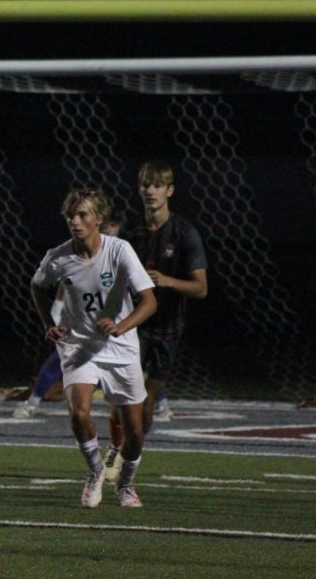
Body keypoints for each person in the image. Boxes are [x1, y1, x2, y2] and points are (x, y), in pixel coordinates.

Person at [31, 186, 157, 509]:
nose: (75, 221)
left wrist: (121, 326)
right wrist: (48, 322)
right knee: (79, 412)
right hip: (78, 345)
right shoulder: (57, 258)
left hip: (121, 348)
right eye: (70, 215)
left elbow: (149, 301)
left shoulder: (120, 251)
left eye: (82, 215)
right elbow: (37, 286)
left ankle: (126, 485)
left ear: (98, 219)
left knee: (135, 432)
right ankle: (95, 471)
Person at [103, 163, 207, 481]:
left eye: (158, 185)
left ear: (170, 191)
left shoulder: (185, 233)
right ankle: (115, 449)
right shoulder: (131, 234)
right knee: (123, 397)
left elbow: (201, 288)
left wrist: (167, 281)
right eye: (146, 185)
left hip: (167, 330)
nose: (151, 190)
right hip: (133, 327)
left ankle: (131, 453)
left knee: (146, 406)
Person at [13, 210, 123, 420]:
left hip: (110, 319)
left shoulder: (120, 252)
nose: (110, 232)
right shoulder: (75, 250)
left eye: (114, 229)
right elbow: (66, 280)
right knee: (62, 358)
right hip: (81, 318)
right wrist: (58, 307)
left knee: (131, 360)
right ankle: (33, 401)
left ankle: (156, 403)